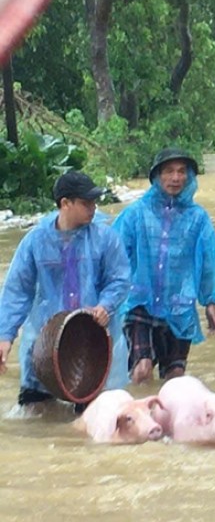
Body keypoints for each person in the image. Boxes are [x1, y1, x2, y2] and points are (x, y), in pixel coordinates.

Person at [0, 170, 131, 411]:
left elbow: (120, 280)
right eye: (85, 202)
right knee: (37, 415)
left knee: (96, 416)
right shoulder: (35, 241)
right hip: (45, 341)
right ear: (65, 203)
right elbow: (17, 291)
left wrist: (105, 306)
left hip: (94, 340)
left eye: (94, 202)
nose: (93, 208)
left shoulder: (106, 239)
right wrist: (5, 336)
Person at [113, 148, 215, 384]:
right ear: (157, 176)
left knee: (175, 378)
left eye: (181, 172)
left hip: (179, 306)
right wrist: (108, 300)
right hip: (139, 304)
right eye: (169, 172)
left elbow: (210, 261)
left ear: (189, 177)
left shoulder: (198, 218)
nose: (175, 178)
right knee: (142, 369)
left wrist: (210, 302)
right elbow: (115, 255)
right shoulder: (136, 213)